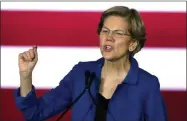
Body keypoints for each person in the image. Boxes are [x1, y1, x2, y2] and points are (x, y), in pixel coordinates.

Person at [13, 6, 168, 121]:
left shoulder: (147, 85)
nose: (109, 37)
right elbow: (35, 113)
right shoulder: (81, 73)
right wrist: (25, 75)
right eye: (105, 31)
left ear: (133, 44)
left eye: (118, 33)